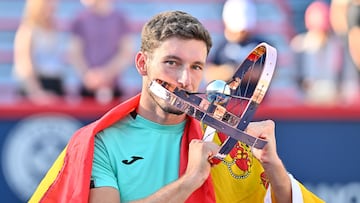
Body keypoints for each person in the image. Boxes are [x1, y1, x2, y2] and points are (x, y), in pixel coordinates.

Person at [29, 11, 324, 203]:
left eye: (196, 66)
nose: (185, 79)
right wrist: (191, 180)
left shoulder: (222, 138)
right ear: (142, 64)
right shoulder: (102, 142)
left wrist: (273, 167)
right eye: (172, 63)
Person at [67, 0, 134, 104]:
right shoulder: (80, 19)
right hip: (87, 86)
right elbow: (75, 53)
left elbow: (126, 52)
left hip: (113, 86)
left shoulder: (120, 18)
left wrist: (105, 74)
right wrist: (88, 75)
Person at [290, 0, 351, 105]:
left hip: (333, 103)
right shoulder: (299, 45)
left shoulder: (338, 45)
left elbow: (346, 80)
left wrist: (339, 93)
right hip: (306, 103)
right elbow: (294, 78)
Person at [13, 0, 69, 105]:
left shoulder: (55, 29)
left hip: (55, 84)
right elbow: (25, 65)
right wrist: (37, 92)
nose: (52, 6)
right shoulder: (28, 30)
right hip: (37, 86)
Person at [205, 0, 265, 84]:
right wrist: (226, 72)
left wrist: (236, 72)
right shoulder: (222, 45)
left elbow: (266, 74)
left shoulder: (261, 46)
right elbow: (210, 73)